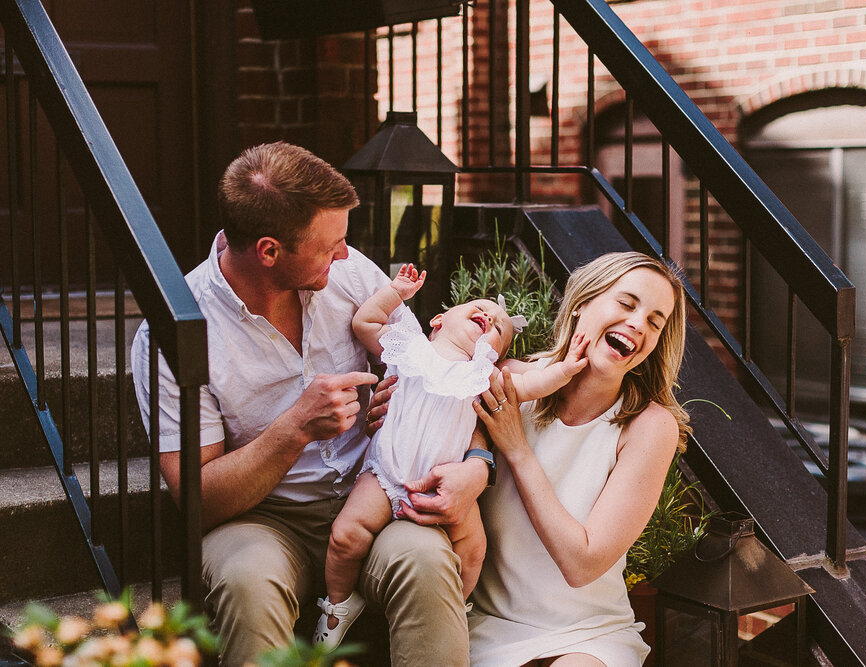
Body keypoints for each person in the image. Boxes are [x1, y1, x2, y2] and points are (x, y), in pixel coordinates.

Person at [130, 141, 488, 666]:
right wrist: (294, 427)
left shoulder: (351, 277)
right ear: (270, 251)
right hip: (262, 519)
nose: (344, 255)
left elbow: (452, 380)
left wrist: (477, 467)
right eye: (329, 247)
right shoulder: (176, 332)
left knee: (427, 561)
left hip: (380, 497)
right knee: (247, 583)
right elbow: (198, 499)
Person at [315, 264, 589, 648]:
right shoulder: (409, 347)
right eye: (480, 310)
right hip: (385, 477)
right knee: (345, 537)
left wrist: (566, 369)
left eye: (498, 329)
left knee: (473, 550)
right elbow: (365, 323)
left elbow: (531, 384)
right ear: (439, 320)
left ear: (496, 356)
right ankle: (338, 606)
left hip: (445, 485)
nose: (490, 317)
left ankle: (454, 609)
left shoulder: (482, 375)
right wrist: (396, 292)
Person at [467, 252, 690, 666]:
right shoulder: (509, 382)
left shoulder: (649, 427)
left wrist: (517, 449)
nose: (639, 324)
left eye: (655, 322)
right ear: (583, 303)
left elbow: (582, 564)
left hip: (590, 635)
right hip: (488, 625)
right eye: (627, 304)